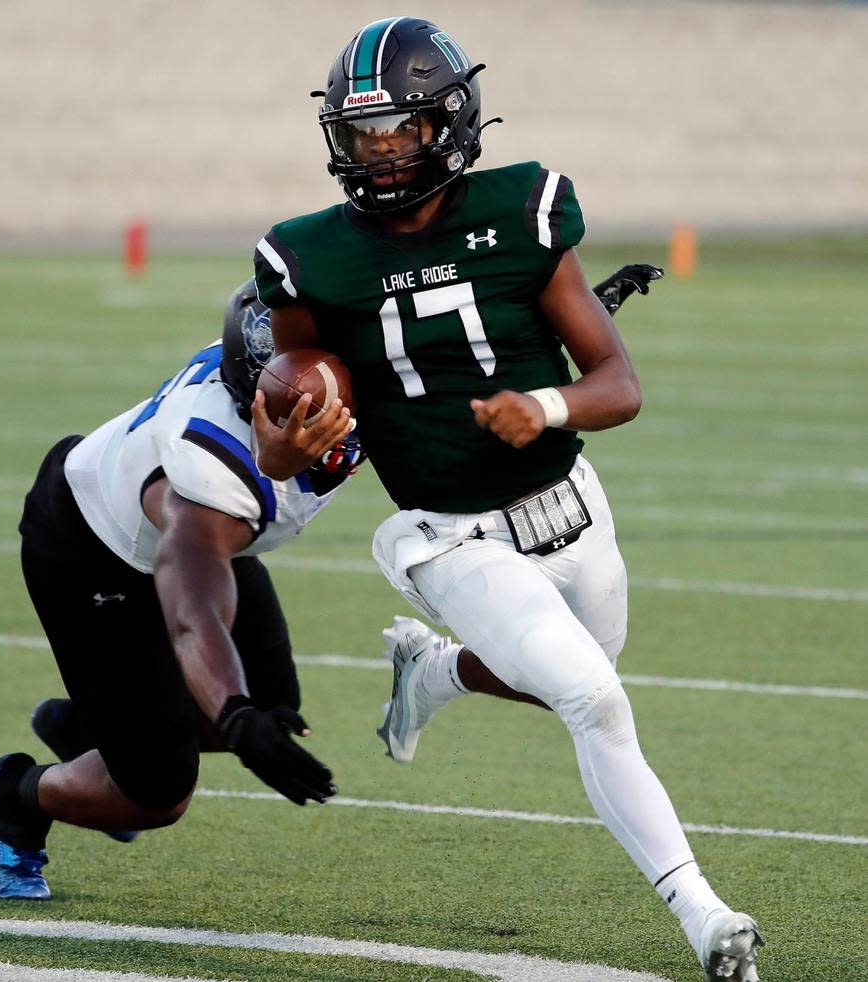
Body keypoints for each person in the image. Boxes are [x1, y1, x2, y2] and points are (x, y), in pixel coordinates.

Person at [250, 17, 762, 982]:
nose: (383, 150)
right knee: (593, 699)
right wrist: (289, 434)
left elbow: (618, 381)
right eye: (364, 134)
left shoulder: (524, 207)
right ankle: (705, 917)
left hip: (570, 507)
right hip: (448, 536)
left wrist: (545, 402)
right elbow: (284, 430)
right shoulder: (309, 255)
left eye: (400, 129)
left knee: (570, 670)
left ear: (449, 121)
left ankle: (434, 676)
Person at [0, 281, 356, 901]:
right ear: (256, 397)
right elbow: (194, 610)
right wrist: (232, 712)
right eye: (296, 400)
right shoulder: (209, 465)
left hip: (203, 543)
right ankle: (18, 794)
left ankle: (92, 727)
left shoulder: (342, 375)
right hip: (93, 550)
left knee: (274, 707)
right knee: (156, 792)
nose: (323, 416)